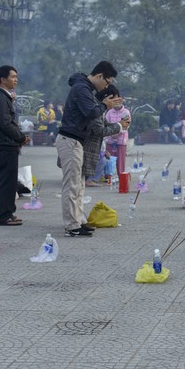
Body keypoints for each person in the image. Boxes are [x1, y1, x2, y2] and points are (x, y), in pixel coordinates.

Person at [57, 61, 122, 237]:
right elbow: (91, 113)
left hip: (77, 141)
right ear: (99, 75)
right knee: (71, 185)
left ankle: (79, 220)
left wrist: (102, 105)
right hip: (70, 139)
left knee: (78, 185)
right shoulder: (81, 88)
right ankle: (71, 225)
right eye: (107, 82)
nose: (106, 86)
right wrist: (105, 105)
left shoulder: (86, 89)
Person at [0, 65, 29, 226]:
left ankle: (8, 212)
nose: (15, 80)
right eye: (12, 77)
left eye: (16, 76)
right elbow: (5, 124)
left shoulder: (4, 97)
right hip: (4, 144)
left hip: (7, 144)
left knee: (9, 181)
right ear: (3, 79)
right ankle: (4, 215)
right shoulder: (0, 98)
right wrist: (20, 137)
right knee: (7, 181)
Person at [85, 85, 129, 187]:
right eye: (115, 99)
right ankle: (89, 179)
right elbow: (100, 130)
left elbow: (106, 124)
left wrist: (119, 125)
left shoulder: (102, 110)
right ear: (107, 98)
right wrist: (119, 125)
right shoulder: (97, 109)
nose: (117, 102)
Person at [104, 91, 131, 174]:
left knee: (120, 160)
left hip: (121, 140)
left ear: (121, 100)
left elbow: (126, 125)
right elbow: (105, 124)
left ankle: (121, 175)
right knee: (109, 159)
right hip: (110, 139)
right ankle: (108, 176)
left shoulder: (126, 112)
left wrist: (117, 132)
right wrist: (111, 133)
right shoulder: (109, 112)